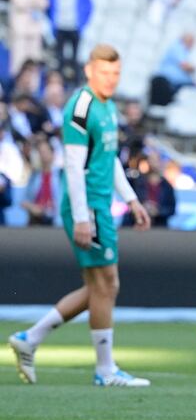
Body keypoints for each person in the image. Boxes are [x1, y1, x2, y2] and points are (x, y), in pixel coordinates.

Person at [7, 44, 152, 387]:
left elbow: (109, 157)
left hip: (100, 204)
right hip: (88, 205)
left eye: (115, 73)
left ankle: (30, 340)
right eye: (104, 73)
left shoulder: (107, 106)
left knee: (99, 287)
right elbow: (72, 165)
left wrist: (131, 199)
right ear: (89, 71)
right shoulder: (82, 107)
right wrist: (83, 216)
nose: (111, 79)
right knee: (107, 284)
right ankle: (105, 370)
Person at [47, 0, 93, 85]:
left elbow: (89, 5)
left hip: (74, 26)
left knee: (75, 58)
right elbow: (48, 7)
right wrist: (52, 23)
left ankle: (76, 83)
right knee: (60, 58)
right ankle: (61, 83)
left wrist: (82, 23)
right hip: (60, 26)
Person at [8, 0, 48, 75]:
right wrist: (34, 1)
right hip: (20, 31)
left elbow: (44, 3)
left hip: (34, 30)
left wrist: (32, 1)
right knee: (18, 60)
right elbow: (20, 3)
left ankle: (32, 87)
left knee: (34, 60)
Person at [21, 136, 61, 226]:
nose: (43, 155)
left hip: (56, 223)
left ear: (53, 154)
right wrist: (33, 208)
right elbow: (24, 201)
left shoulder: (61, 175)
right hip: (37, 221)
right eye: (41, 152)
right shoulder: (34, 175)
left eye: (46, 152)